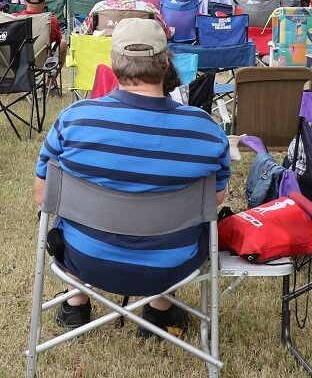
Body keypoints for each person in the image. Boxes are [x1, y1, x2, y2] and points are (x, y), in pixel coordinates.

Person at [33, 18, 230, 334]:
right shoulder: (205, 130)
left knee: (69, 216)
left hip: (86, 258)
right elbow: (214, 200)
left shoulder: (73, 121)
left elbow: (43, 197)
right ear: (166, 63)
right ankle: (160, 309)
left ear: (113, 64)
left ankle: (75, 302)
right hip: (173, 264)